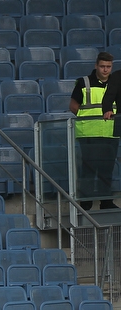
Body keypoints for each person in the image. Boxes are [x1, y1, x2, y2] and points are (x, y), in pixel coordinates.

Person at [71, 51, 119, 211]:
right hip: (88, 133)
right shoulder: (84, 82)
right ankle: (86, 202)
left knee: (107, 168)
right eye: (102, 66)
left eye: (108, 67)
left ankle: (106, 201)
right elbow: (73, 106)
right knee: (88, 169)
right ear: (96, 66)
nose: (105, 69)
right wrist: (87, 118)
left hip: (110, 133)